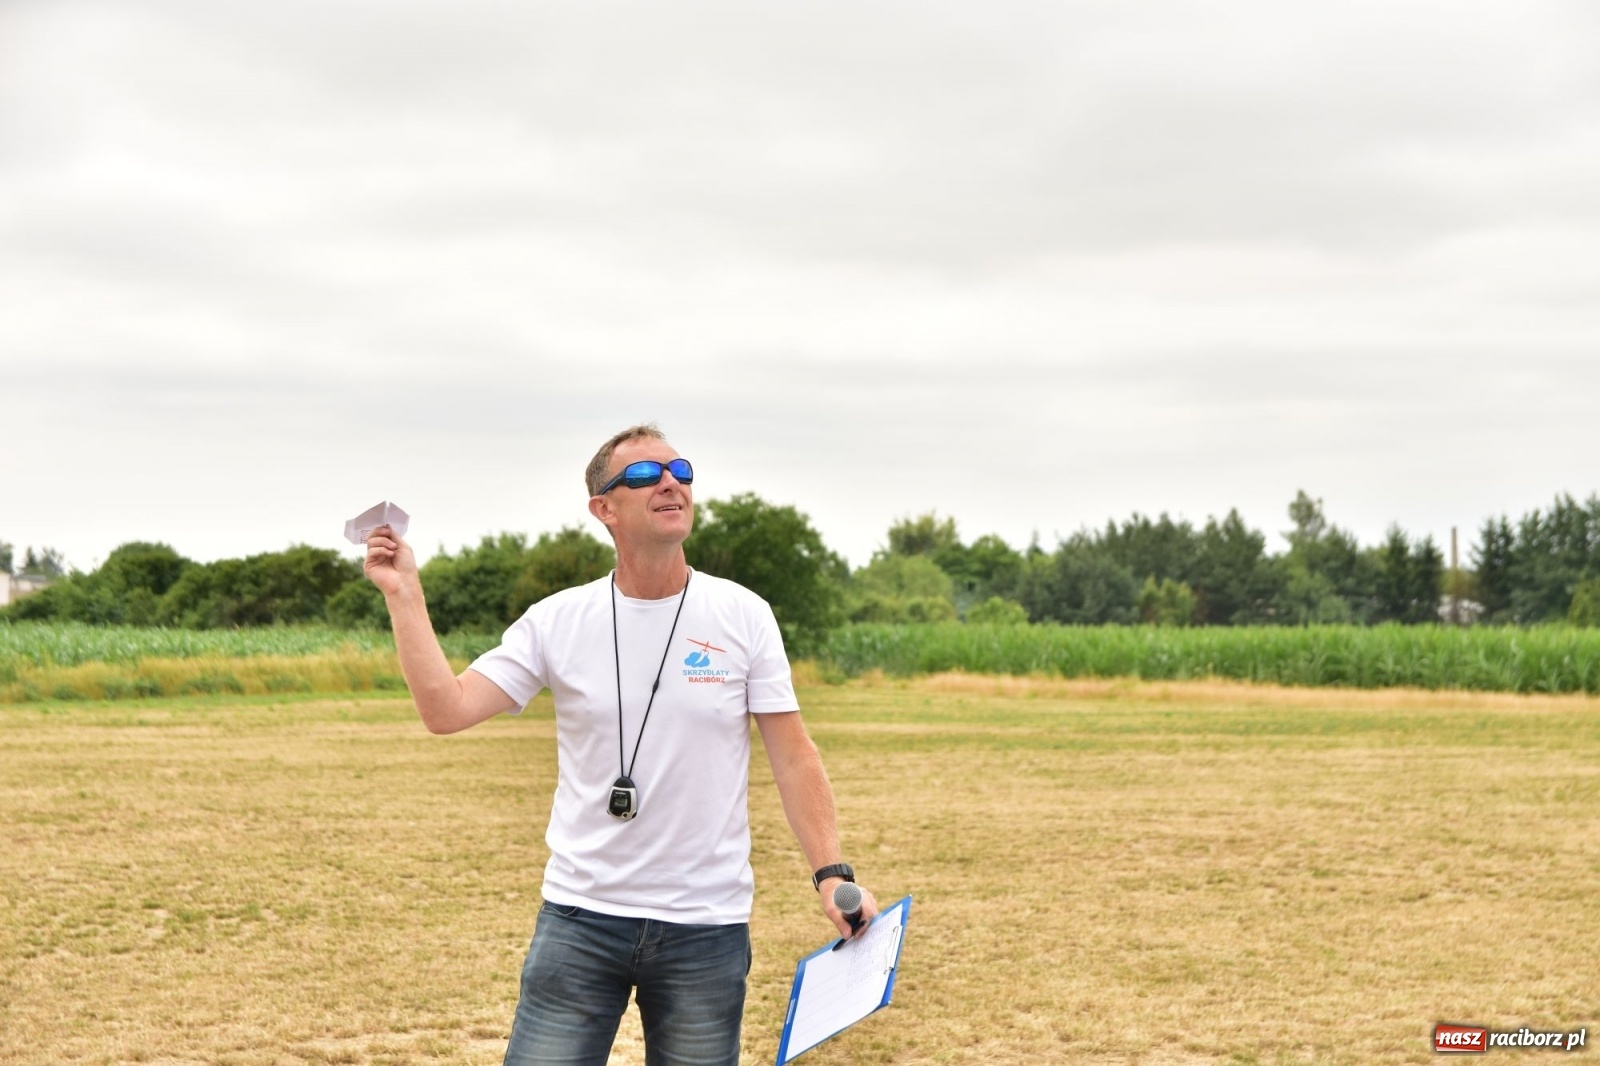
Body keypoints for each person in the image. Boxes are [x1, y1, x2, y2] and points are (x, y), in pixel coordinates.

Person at [362, 424, 878, 1066]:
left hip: (705, 925)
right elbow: (447, 709)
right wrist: (405, 594)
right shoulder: (557, 620)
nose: (669, 483)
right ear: (603, 508)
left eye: (680, 471)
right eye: (643, 475)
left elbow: (794, 756)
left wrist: (832, 875)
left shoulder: (744, 615)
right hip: (580, 918)